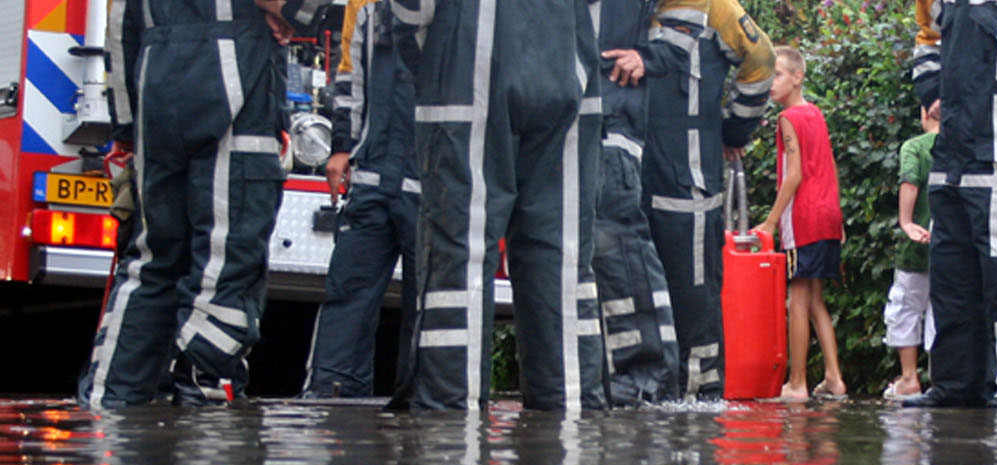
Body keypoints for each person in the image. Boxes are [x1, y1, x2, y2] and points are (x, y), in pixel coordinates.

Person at [77, 0, 332, 409]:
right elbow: (304, 9)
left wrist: (126, 127)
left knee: (150, 264)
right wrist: (288, 13)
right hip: (236, 92)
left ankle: (109, 400)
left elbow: (120, 27)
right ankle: (203, 397)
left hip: (155, 91)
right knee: (226, 264)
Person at [389, 0, 605, 412]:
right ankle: (568, 407)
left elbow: (410, 10)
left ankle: (452, 409)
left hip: (467, 63)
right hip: (568, 66)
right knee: (560, 255)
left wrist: (430, 60)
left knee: (461, 249)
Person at [905, 0, 997, 408]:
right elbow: (926, 37)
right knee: (952, 282)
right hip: (952, 164)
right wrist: (930, 89)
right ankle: (955, 385)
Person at [642, 0, 774, 400]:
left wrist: (733, 130)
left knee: (694, 300)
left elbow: (762, 59)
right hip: (634, 186)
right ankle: (659, 392)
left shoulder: (716, 7)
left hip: (689, 188)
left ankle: (700, 395)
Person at [300, 0, 418, 399]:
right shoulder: (365, 5)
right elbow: (350, 73)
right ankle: (333, 392)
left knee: (430, 302)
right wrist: (341, 146)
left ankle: (424, 400)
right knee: (349, 287)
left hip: (432, 179)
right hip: (374, 173)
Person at [591, 0, 683, 406]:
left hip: (611, 119)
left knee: (617, 242)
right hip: (562, 118)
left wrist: (652, 56)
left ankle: (648, 378)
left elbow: (692, 15)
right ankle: (619, 378)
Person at [755, 45, 846, 402]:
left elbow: (792, 176)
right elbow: (829, 166)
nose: (770, 82)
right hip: (827, 215)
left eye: (776, 75)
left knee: (796, 300)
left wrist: (770, 221)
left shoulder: (788, 118)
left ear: (797, 77)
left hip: (803, 218)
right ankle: (834, 377)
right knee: (816, 300)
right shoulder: (816, 114)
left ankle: (797, 383)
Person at [883, 105, 939, 400]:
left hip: (917, 246)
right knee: (942, 310)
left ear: (925, 113)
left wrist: (906, 222)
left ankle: (908, 378)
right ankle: (941, 377)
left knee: (906, 307)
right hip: (950, 247)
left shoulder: (915, 147)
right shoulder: (964, 144)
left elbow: (910, 182)